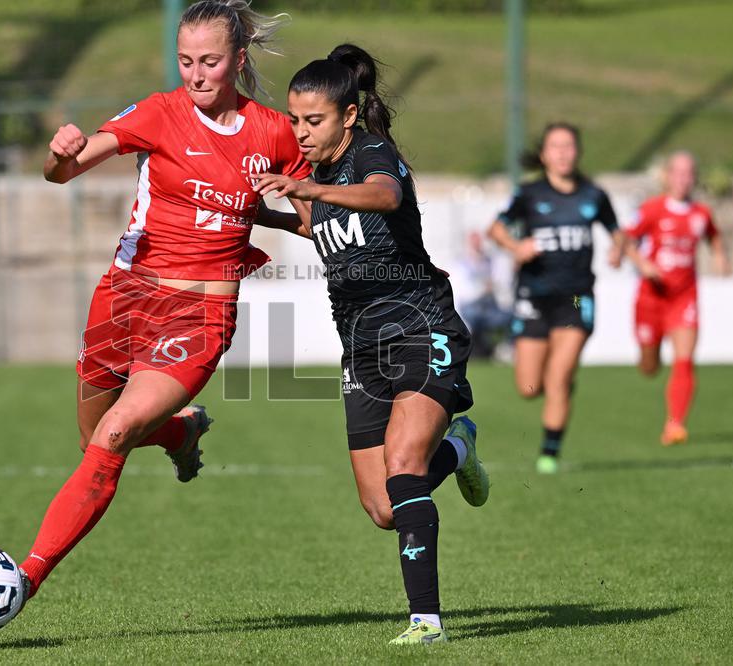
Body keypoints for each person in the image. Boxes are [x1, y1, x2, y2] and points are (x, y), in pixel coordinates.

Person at [14, 0, 311, 607]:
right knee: (93, 438)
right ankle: (179, 434)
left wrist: (301, 199)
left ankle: (23, 581)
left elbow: (315, 216)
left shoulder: (274, 131)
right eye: (185, 62)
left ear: (238, 60)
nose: (196, 75)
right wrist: (61, 150)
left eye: (209, 61)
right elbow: (60, 173)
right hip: (125, 298)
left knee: (117, 430)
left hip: (201, 314)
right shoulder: (159, 111)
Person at [253, 44, 490, 646]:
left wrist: (306, 190)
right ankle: (459, 448)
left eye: (315, 121)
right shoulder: (321, 176)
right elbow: (316, 226)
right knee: (385, 508)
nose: (301, 134)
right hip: (360, 347)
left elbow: (384, 197)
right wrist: (260, 215)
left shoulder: (373, 155)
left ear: (348, 117)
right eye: (295, 121)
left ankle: (427, 622)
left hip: (420, 326)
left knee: (404, 467)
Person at [486, 123, 624, 474]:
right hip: (534, 296)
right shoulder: (529, 193)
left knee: (559, 378)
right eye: (555, 146)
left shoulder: (593, 195)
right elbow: (496, 229)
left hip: (576, 299)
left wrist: (617, 251)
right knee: (530, 387)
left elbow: (617, 232)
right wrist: (517, 246)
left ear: (577, 152)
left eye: (568, 146)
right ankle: (559, 385)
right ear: (544, 154)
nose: (562, 152)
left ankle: (549, 453)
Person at [625, 151, 729, 445]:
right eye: (678, 172)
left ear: (694, 177)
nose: (683, 179)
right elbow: (627, 238)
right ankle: (650, 353)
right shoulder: (652, 209)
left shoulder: (701, 213)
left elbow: (714, 236)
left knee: (684, 360)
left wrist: (720, 255)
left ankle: (675, 425)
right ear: (668, 176)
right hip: (651, 297)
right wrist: (642, 263)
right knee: (649, 367)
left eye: (689, 173)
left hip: (684, 297)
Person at [452, 231, 512, 359]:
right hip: (470, 310)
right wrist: (482, 289)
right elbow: (462, 294)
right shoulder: (460, 265)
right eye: (474, 241)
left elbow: (503, 284)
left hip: (490, 309)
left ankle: (505, 349)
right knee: (473, 315)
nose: (477, 244)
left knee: (512, 316)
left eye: (479, 241)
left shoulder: (492, 262)